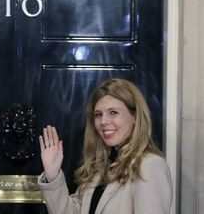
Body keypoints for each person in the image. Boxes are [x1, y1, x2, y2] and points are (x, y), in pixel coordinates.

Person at [38, 78, 172, 214]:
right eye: (98, 114)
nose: (103, 121)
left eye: (113, 112)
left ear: (135, 117)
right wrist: (53, 175)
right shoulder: (100, 166)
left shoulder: (150, 166)